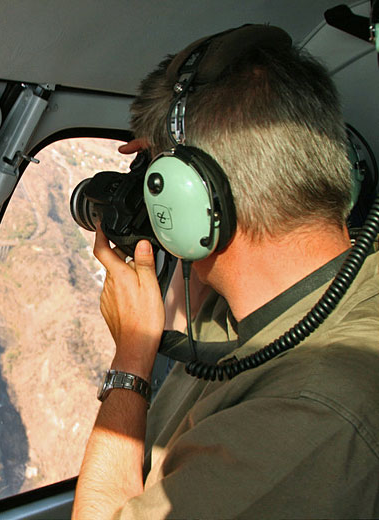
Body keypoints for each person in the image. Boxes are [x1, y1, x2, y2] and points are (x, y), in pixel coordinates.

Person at [73, 25, 379, 519]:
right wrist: (170, 181)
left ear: (191, 199)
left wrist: (130, 359)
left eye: (157, 188)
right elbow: (220, 245)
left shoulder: (311, 415)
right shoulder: (314, 292)